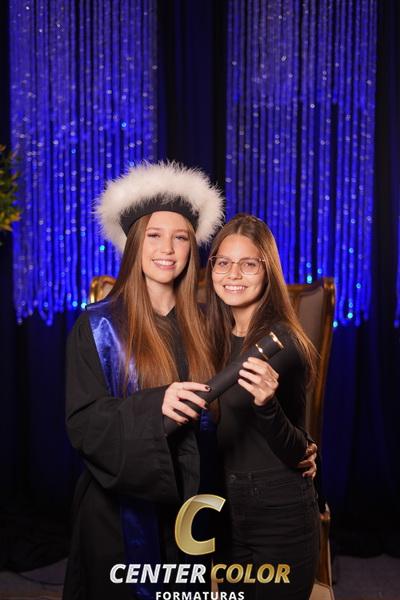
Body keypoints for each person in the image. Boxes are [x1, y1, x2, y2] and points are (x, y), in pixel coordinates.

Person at [63, 162, 224, 600]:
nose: (167, 249)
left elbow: (232, 418)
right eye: (154, 235)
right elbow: (84, 424)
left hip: (193, 508)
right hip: (118, 517)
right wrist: (155, 407)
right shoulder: (98, 327)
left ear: (192, 247)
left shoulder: (209, 326)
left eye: (181, 237)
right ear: (134, 243)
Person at [205, 213, 320, 600]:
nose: (233, 274)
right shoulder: (211, 335)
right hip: (225, 505)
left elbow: (297, 451)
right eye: (223, 262)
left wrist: (267, 404)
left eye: (249, 264)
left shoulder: (281, 343)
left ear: (267, 269)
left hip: (278, 508)